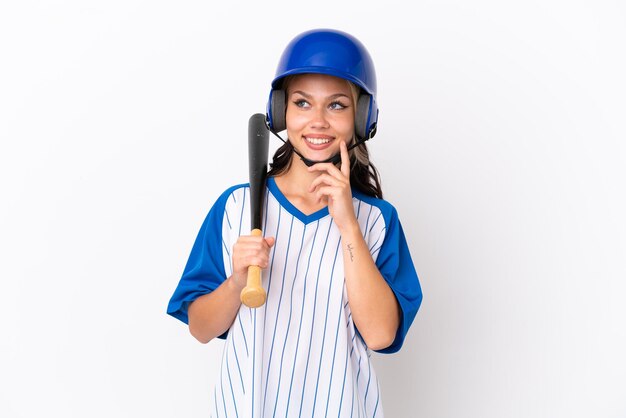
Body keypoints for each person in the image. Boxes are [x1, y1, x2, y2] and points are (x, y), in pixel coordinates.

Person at [167, 28, 423, 417]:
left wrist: (348, 225)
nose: (317, 121)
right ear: (281, 110)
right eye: (303, 103)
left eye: (336, 105)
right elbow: (200, 328)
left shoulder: (376, 221)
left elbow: (380, 333)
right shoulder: (237, 206)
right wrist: (237, 281)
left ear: (362, 116)